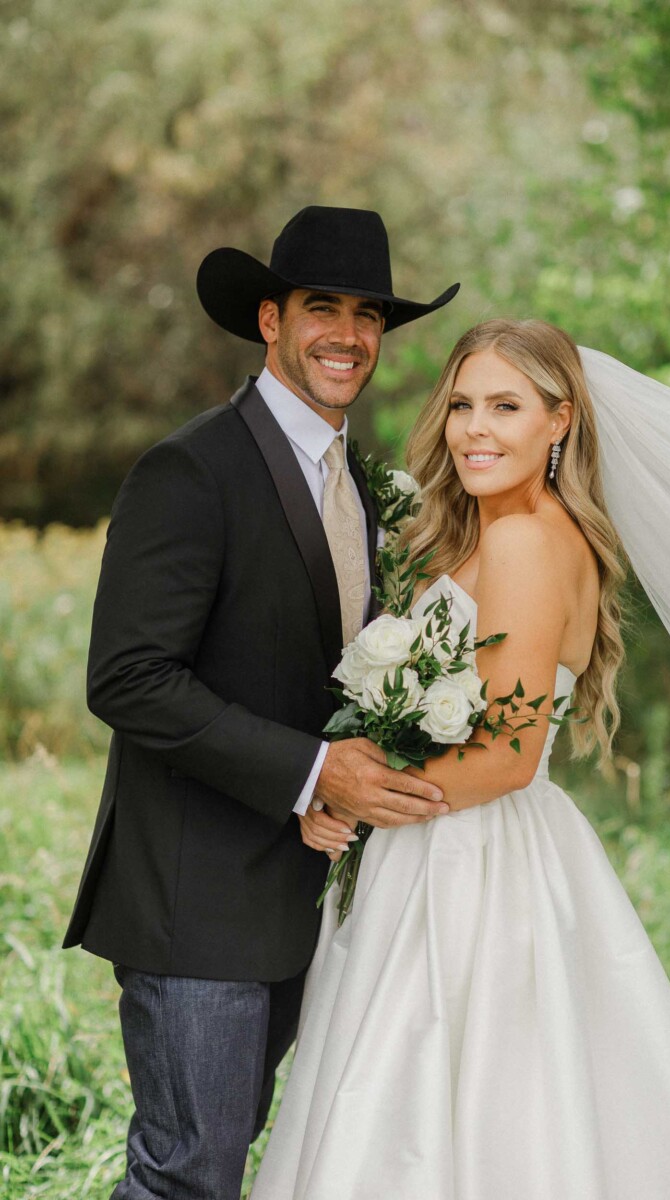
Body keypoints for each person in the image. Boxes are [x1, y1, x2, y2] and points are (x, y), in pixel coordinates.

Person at [252, 317, 670, 1198]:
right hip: (461, 840)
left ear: (561, 421)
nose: (474, 428)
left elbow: (506, 758)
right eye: (463, 403)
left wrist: (354, 796)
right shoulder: (508, 533)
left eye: (506, 406)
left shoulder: (526, 539)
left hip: (469, 860)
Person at [62, 205, 460, 1200]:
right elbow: (128, 677)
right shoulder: (190, 470)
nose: (349, 334)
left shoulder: (360, 489)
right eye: (321, 306)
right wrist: (312, 771)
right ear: (270, 320)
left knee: (238, 1162)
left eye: (368, 314)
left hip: (296, 896)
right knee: (186, 1174)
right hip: (194, 904)